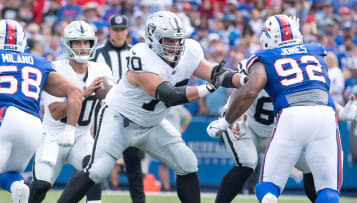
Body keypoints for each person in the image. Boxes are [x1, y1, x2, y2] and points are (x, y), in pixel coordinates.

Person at [56, 10, 247, 203]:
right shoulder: (141, 55)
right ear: (153, 39)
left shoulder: (190, 50)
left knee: (187, 162)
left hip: (152, 123)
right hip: (119, 119)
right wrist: (206, 88)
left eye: (178, 40)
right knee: (98, 170)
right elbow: (169, 95)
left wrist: (243, 79)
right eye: (168, 40)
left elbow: (216, 73)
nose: (175, 45)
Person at [207, 15, 344, 203]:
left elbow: (248, 91)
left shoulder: (264, 58)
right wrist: (343, 112)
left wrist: (226, 120)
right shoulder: (315, 50)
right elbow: (314, 93)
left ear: (267, 38)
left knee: (268, 185)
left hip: (289, 118)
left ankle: (269, 198)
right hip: (324, 116)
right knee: (328, 190)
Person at [29, 21, 112, 203]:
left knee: (95, 167)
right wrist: (82, 94)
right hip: (53, 136)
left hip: (81, 136)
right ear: (68, 44)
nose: (82, 47)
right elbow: (56, 111)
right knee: (41, 186)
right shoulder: (55, 68)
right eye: (77, 42)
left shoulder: (101, 69)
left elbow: (112, 103)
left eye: (86, 42)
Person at [0, 19, 82, 203]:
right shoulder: (38, 62)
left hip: (4, 117)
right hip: (33, 125)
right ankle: (16, 187)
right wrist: (70, 129)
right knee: (11, 174)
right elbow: (75, 91)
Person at [93, 15, 146, 203]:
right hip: (104, 115)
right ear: (109, 31)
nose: (119, 33)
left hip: (131, 115)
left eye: (122, 29)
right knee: (95, 163)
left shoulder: (137, 52)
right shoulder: (97, 54)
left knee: (134, 165)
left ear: (127, 31)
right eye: (115, 30)